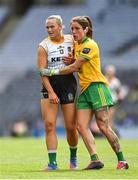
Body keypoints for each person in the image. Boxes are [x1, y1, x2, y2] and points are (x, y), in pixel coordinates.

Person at [39, 16, 129, 170]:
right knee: (80, 126)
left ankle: (122, 160)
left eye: (77, 29)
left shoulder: (90, 45)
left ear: (86, 29)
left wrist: (52, 70)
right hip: (85, 90)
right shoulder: (77, 45)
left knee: (103, 126)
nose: (74, 32)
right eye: (72, 28)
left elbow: (75, 67)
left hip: (97, 87)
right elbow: (74, 61)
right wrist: (70, 59)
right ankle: (95, 159)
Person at [37, 15, 78, 170]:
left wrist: (73, 58)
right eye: (47, 27)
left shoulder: (71, 40)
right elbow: (42, 72)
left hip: (68, 84)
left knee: (70, 126)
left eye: (52, 26)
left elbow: (80, 59)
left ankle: (73, 158)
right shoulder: (43, 46)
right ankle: (52, 163)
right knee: (49, 124)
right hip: (50, 86)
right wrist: (51, 92)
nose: (49, 30)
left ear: (61, 27)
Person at [105, 65, 127, 131]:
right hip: (104, 101)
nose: (109, 73)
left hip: (113, 101)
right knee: (105, 118)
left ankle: (111, 132)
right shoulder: (104, 79)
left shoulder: (116, 81)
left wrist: (120, 96)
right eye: (108, 71)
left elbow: (120, 91)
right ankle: (108, 132)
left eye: (111, 72)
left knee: (110, 118)